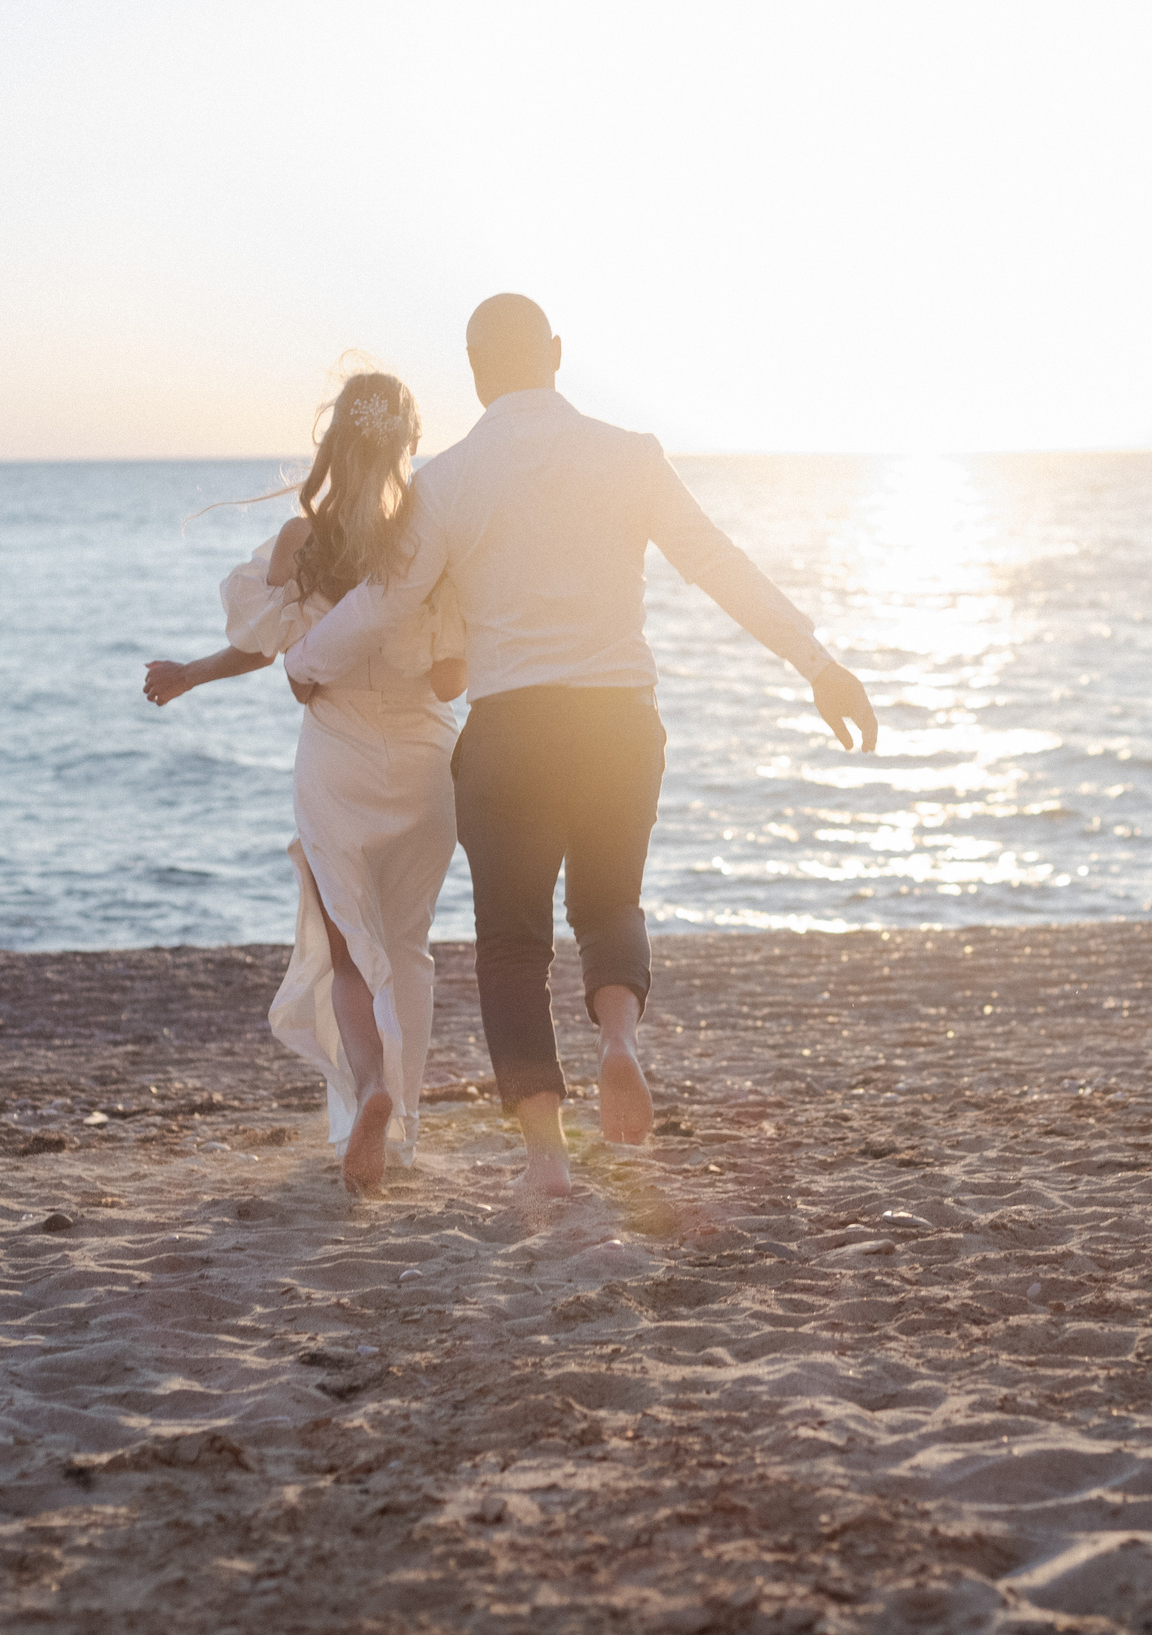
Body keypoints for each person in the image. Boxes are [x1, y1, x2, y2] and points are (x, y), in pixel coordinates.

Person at [283, 295, 879, 1196]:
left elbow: (388, 602)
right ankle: (617, 1041)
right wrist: (817, 662)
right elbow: (718, 561)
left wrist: (307, 656)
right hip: (617, 721)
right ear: (556, 353)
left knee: (512, 944)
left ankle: (547, 1160)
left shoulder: (448, 479)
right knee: (609, 906)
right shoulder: (630, 455)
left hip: (511, 730)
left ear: (478, 371)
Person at [143, 371, 465, 1195]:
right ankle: (405, 1123)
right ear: (409, 443)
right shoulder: (431, 543)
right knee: (409, 946)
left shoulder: (301, 539)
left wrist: (189, 673)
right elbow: (450, 679)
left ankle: (371, 1090)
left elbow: (271, 651)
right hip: (429, 767)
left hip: (338, 761)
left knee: (351, 955)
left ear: (332, 442)